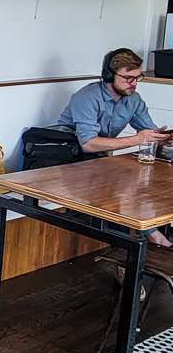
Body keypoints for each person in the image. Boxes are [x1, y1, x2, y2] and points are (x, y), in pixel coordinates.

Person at [57, 47, 172, 247]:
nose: (134, 83)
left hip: (99, 161)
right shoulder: (87, 97)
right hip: (69, 160)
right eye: (128, 78)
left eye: (138, 77)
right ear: (109, 75)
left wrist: (160, 138)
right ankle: (139, 246)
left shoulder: (133, 100)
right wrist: (138, 139)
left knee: (148, 180)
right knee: (117, 186)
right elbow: (88, 144)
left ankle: (150, 238)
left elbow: (147, 130)